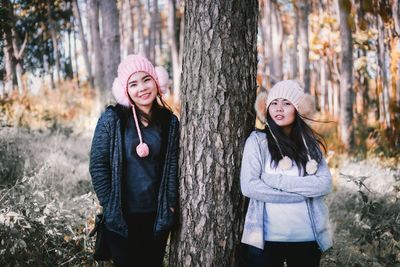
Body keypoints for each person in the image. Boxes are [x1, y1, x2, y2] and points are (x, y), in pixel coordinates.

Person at [89, 55, 179, 266]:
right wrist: (110, 205)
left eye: (146, 79)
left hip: (157, 215)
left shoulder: (169, 122)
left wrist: (171, 204)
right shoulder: (112, 119)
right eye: (133, 83)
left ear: (156, 81)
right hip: (122, 216)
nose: (142, 88)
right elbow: (98, 165)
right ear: (125, 90)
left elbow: (173, 165)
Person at [240, 80, 333, 267]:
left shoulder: (310, 145)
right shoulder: (257, 142)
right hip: (265, 241)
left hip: (306, 239)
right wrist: (301, 195)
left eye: (286, 103)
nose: (279, 108)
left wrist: (275, 180)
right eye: (273, 103)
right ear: (265, 107)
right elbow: (249, 187)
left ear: (298, 109)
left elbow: (324, 184)